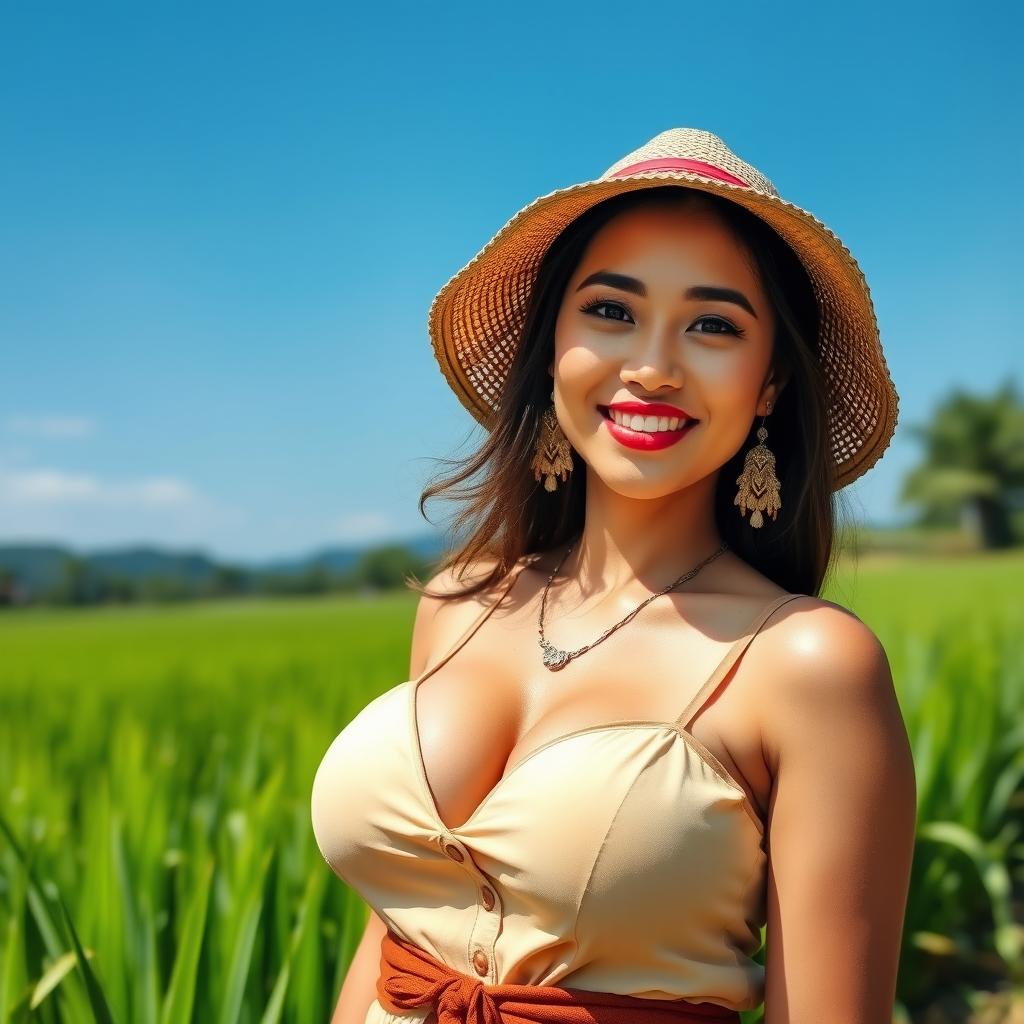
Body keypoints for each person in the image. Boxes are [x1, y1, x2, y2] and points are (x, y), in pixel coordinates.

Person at [311, 127, 917, 1024]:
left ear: (770, 384)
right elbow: (398, 927)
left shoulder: (807, 665)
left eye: (713, 325)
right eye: (611, 310)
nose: (651, 368)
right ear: (553, 344)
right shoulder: (462, 603)